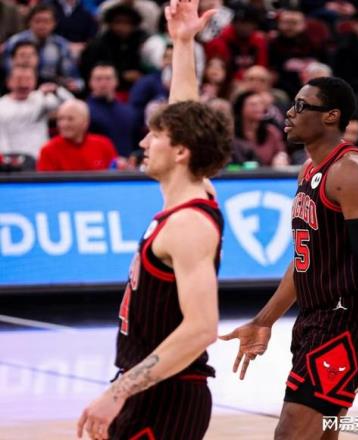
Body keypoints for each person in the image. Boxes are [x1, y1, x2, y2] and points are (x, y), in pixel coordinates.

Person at [77, 1, 231, 439]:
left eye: (155, 136)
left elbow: (201, 328)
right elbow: (185, 115)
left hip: (166, 398)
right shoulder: (194, 191)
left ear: (180, 151)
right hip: (152, 388)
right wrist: (183, 42)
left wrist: (120, 390)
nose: (144, 142)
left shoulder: (188, 225)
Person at [221, 76, 358, 439]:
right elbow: (305, 259)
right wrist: (264, 320)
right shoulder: (309, 168)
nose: (289, 112)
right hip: (315, 317)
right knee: (321, 433)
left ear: (331, 116)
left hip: (345, 321)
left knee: (291, 432)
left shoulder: (351, 171)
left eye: (301, 106)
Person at [37, 100, 118, 171]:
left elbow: (115, 174)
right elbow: (45, 183)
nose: (64, 124)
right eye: (60, 119)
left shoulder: (104, 145)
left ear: (85, 122)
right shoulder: (48, 150)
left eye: (70, 119)